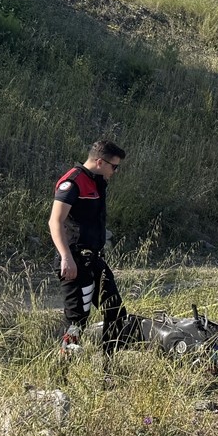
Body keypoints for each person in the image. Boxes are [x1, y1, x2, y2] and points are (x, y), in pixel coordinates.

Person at [48, 139, 127, 355]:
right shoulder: (72, 182)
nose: (116, 171)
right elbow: (55, 221)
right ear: (100, 162)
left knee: (115, 311)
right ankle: (63, 370)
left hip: (94, 260)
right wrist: (66, 257)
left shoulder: (97, 182)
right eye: (114, 166)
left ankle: (109, 363)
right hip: (74, 260)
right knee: (77, 321)